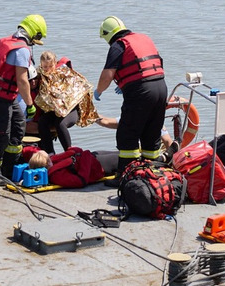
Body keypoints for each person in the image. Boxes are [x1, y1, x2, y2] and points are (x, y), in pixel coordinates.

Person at [0, 14, 46, 183]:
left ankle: (9, 167)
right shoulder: (21, 50)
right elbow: (22, 80)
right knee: (0, 135)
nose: (34, 44)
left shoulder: (8, 42)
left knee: (18, 126)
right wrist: (30, 104)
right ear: (34, 34)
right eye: (36, 40)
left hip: (3, 93)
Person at [93, 16, 167, 172]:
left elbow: (107, 74)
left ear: (108, 34)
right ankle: (152, 173)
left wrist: (99, 91)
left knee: (127, 134)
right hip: (160, 87)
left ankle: (126, 175)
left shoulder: (118, 45)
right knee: (152, 133)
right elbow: (156, 63)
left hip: (141, 92)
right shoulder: (144, 39)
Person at [30, 50, 100, 153]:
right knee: (42, 121)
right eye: (45, 67)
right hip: (55, 110)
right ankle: (50, 153)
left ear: (55, 63)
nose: (48, 70)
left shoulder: (65, 73)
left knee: (60, 124)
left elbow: (81, 88)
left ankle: (69, 152)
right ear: (41, 65)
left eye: (50, 66)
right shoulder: (40, 75)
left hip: (71, 109)